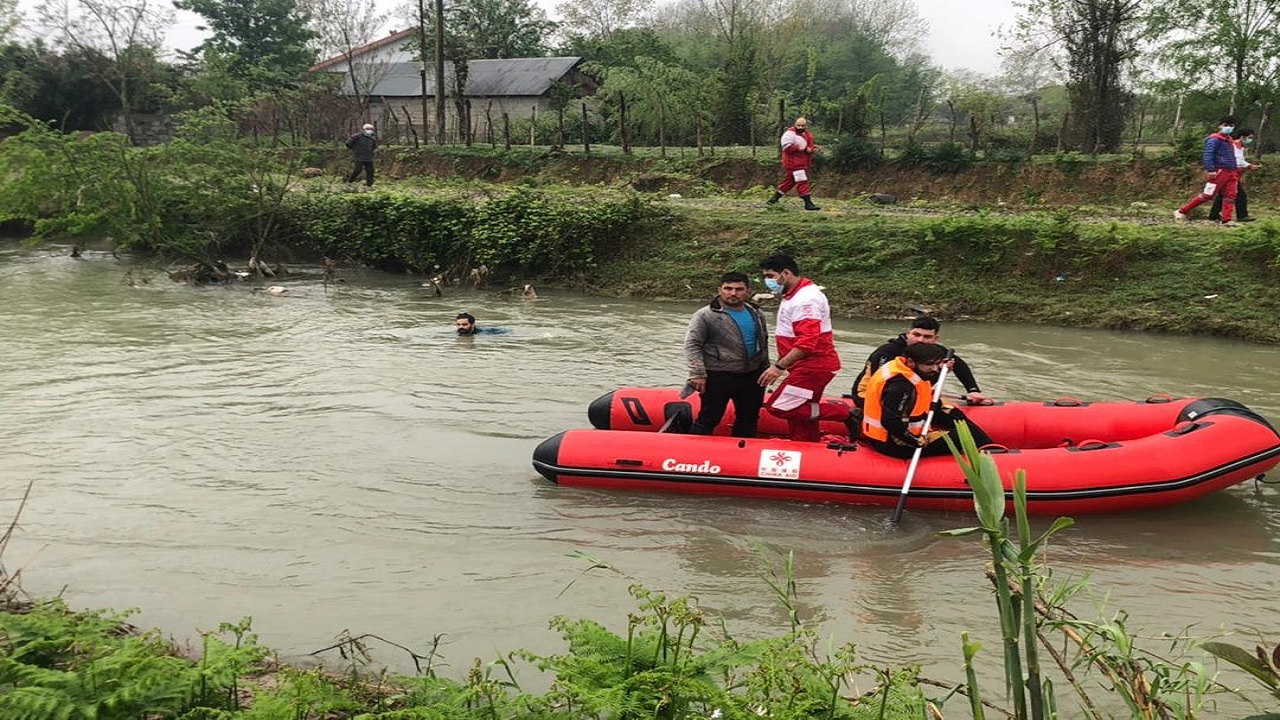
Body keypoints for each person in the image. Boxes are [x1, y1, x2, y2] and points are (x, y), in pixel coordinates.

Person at [756, 254, 857, 442]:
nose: (767, 281)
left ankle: (844, 413)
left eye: (770, 276)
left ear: (785, 273)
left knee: (779, 406)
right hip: (808, 366)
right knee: (802, 411)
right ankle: (805, 445)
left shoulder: (806, 299)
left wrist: (778, 367)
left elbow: (807, 342)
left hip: (813, 366)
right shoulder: (795, 294)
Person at [861, 342, 994, 459]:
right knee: (967, 434)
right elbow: (890, 421)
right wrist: (916, 441)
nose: (935, 369)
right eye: (929, 364)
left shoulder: (901, 366)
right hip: (895, 444)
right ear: (911, 362)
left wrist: (942, 370)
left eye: (937, 364)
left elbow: (922, 383)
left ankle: (991, 449)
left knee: (956, 417)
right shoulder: (900, 386)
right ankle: (996, 459)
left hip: (905, 425)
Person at [684, 272, 771, 438]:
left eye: (739, 289)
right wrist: (697, 374)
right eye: (728, 288)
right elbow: (692, 344)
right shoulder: (705, 315)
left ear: (748, 291)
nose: (733, 293)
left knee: (749, 418)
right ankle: (693, 455)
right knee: (709, 418)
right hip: (718, 375)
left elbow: (763, 340)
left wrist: (766, 368)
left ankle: (742, 455)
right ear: (720, 290)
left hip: (752, 375)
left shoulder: (755, 312)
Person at [851, 316, 988, 407]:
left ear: (936, 338)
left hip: (906, 393)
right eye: (916, 335)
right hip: (868, 395)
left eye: (927, 337)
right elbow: (882, 385)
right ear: (908, 333)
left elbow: (958, 364)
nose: (920, 340)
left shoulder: (936, 351)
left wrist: (973, 390)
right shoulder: (887, 352)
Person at [1175, 115, 1240, 225]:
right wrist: (1211, 169)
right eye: (1225, 125)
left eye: (1231, 125)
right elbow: (1208, 154)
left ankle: (1227, 219)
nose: (1228, 127)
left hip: (1231, 171)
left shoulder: (1229, 140)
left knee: (1230, 195)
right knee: (1208, 194)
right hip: (1219, 171)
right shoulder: (1214, 139)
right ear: (1220, 126)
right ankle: (1182, 211)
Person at [766, 117, 821, 211]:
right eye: (798, 125)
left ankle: (774, 199)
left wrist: (812, 149)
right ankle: (808, 203)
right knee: (802, 181)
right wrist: (802, 149)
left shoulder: (806, 134)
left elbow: (809, 145)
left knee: (789, 182)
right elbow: (786, 147)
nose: (800, 127)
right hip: (794, 163)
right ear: (795, 124)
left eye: (802, 126)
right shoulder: (789, 134)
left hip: (801, 162)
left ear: (806, 126)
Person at [1210, 128, 1260, 222]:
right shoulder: (1232, 145)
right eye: (1249, 137)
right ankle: (1242, 215)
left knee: (1223, 194)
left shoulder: (1240, 147)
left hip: (1234, 172)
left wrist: (1249, 166)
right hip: (1230, 172)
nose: (1250, 140)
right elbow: (1235, 160)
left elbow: (1240, 160)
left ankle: (1213, 214)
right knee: (1240, 194)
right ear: (1242, 137)